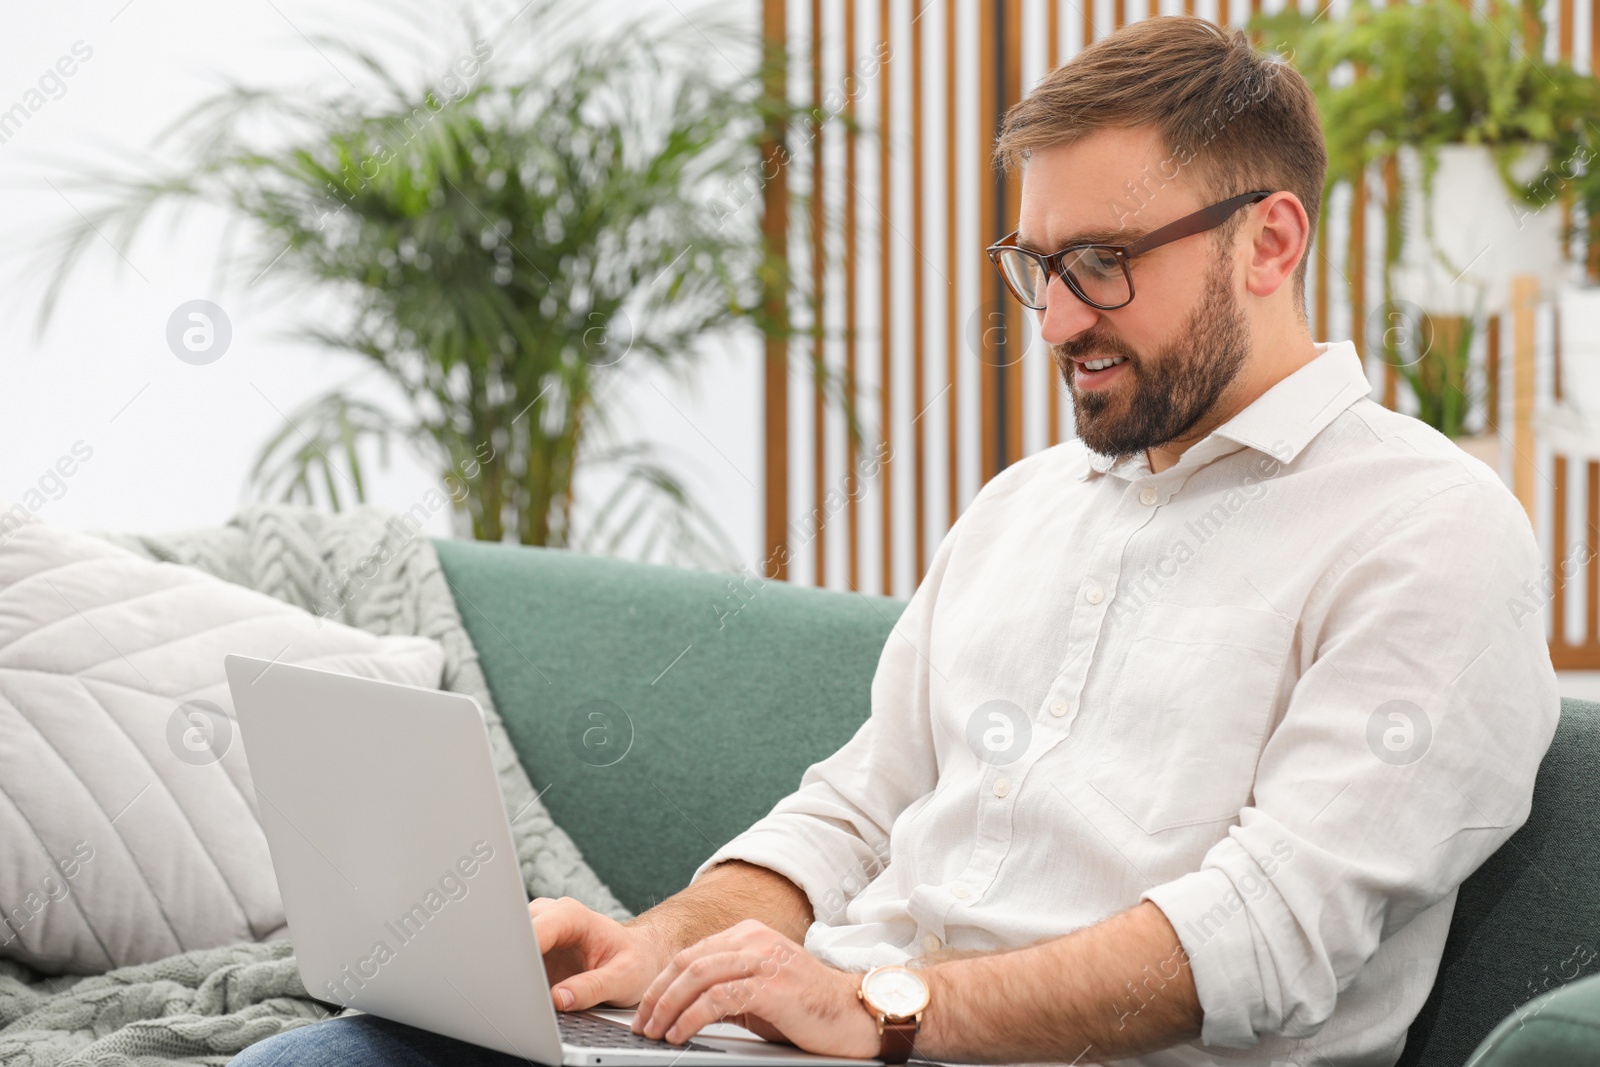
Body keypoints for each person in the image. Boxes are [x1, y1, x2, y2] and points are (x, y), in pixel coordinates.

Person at [232, 15, 1558, 1067]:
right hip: (828, 1041)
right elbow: (849, 815)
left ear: (1269, 242)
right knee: (337, 1055)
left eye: (1101, 262)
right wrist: (664, 949)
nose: (1054, 322)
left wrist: (885, 1009)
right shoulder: (1022, 507)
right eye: (1034, 266)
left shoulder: (1430, 536)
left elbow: (1265, 941)